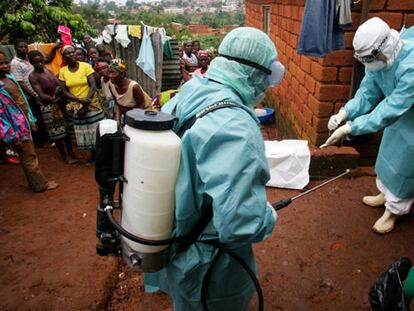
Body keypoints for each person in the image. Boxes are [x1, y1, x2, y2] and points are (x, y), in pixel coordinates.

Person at [144, 27, 285, 310]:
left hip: (175, 237)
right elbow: (240, 223)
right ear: (256, 73)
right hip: (209, 261)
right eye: (270, 74)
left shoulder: (194, 89)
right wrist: (266, 216)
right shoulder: (236, 129)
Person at [321, 17, 414, 234]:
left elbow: (390, 108)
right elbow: (367, 92)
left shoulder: (411, 66)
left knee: (405, 165)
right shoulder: (381, 60)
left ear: (387, 46)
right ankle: (384, 194)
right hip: (398, 119)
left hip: (409, 121)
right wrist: (344, 113)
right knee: (389, 155)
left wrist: (351, 128)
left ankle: (394, 211)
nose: (369, 64)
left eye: (370, 58)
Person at [0, 51, 58, 192]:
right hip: (14, 129)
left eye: (6, 62)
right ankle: (39, 185)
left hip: (23, 123)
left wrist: (31, 120)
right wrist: (11, 135)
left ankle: (35, 182)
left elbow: (23, 101)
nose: (5, 65)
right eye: (1, 64)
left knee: (29, 153)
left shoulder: (9, 78)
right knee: (28, 156)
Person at [28, 50, 78, 164]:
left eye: (41, 61)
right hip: (49, 107)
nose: (40, 64)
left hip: (60, 104)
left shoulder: (47, 70)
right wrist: (56, 99)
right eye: (37, 62)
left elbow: (58, 85)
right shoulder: (33, 76)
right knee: (57, 134)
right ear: (31, 63)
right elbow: (41, 95)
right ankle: (65, 156)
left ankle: (71, 153)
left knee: (67, 130)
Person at [58, 45, 104, 164]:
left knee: (95, 129)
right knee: (84, 130)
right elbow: (64, 91)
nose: (72, 54)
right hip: (76, 105)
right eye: (68, 53)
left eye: (73, 52)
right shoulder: (63, 71)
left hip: (91, 102)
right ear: (64, 57)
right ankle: (93, 155)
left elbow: (93, 85)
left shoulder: (86, 67)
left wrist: (86, 100)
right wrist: (79, 101)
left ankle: (101, 154)